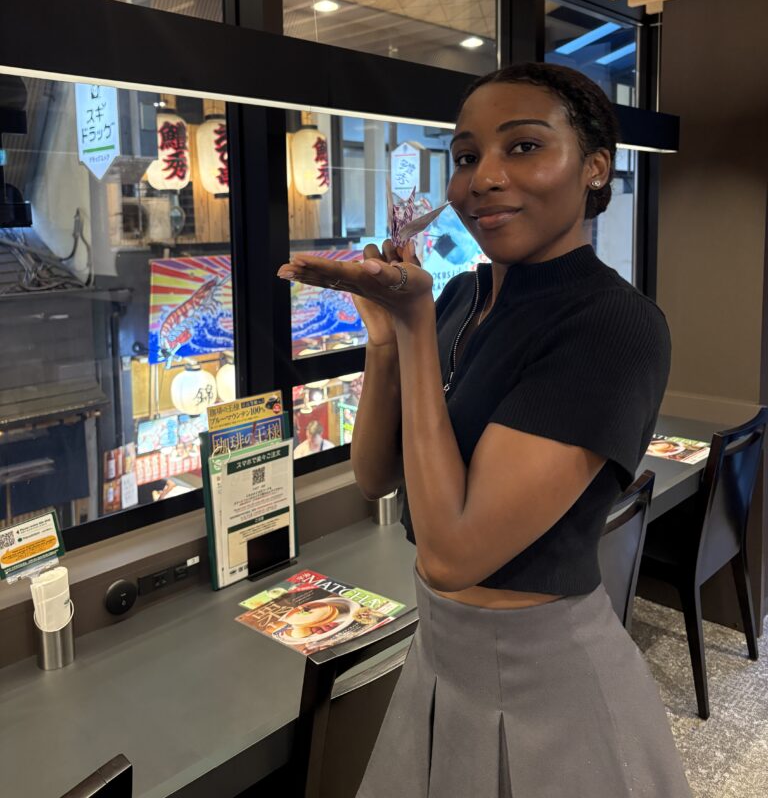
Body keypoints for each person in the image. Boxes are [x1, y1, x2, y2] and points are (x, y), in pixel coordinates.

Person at [277, 62, 692, 797]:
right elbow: (375, 476)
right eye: (466, 157)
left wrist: (413, 325)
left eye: (524, 146)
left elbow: (452, 554)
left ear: (595, 167)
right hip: (438, 656)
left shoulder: (612, 326)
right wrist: (385, 338)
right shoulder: (459, 297)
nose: (483, 179)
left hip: (546, 680)